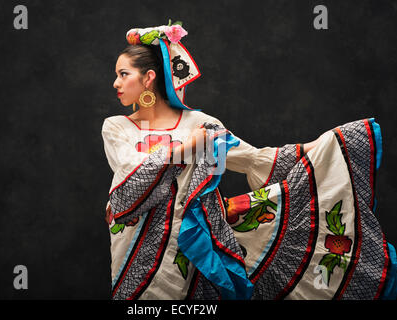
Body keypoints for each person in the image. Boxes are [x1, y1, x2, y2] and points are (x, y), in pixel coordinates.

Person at [102, 22, 397, 300]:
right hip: (131, 243)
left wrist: (316, 147)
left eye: (123, 74)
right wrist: (185, 149)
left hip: (188, 247)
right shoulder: (116, 126)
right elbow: (129, 175)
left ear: (149, 78)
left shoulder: (202, 124)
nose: (116, 83)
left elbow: (253, 159)